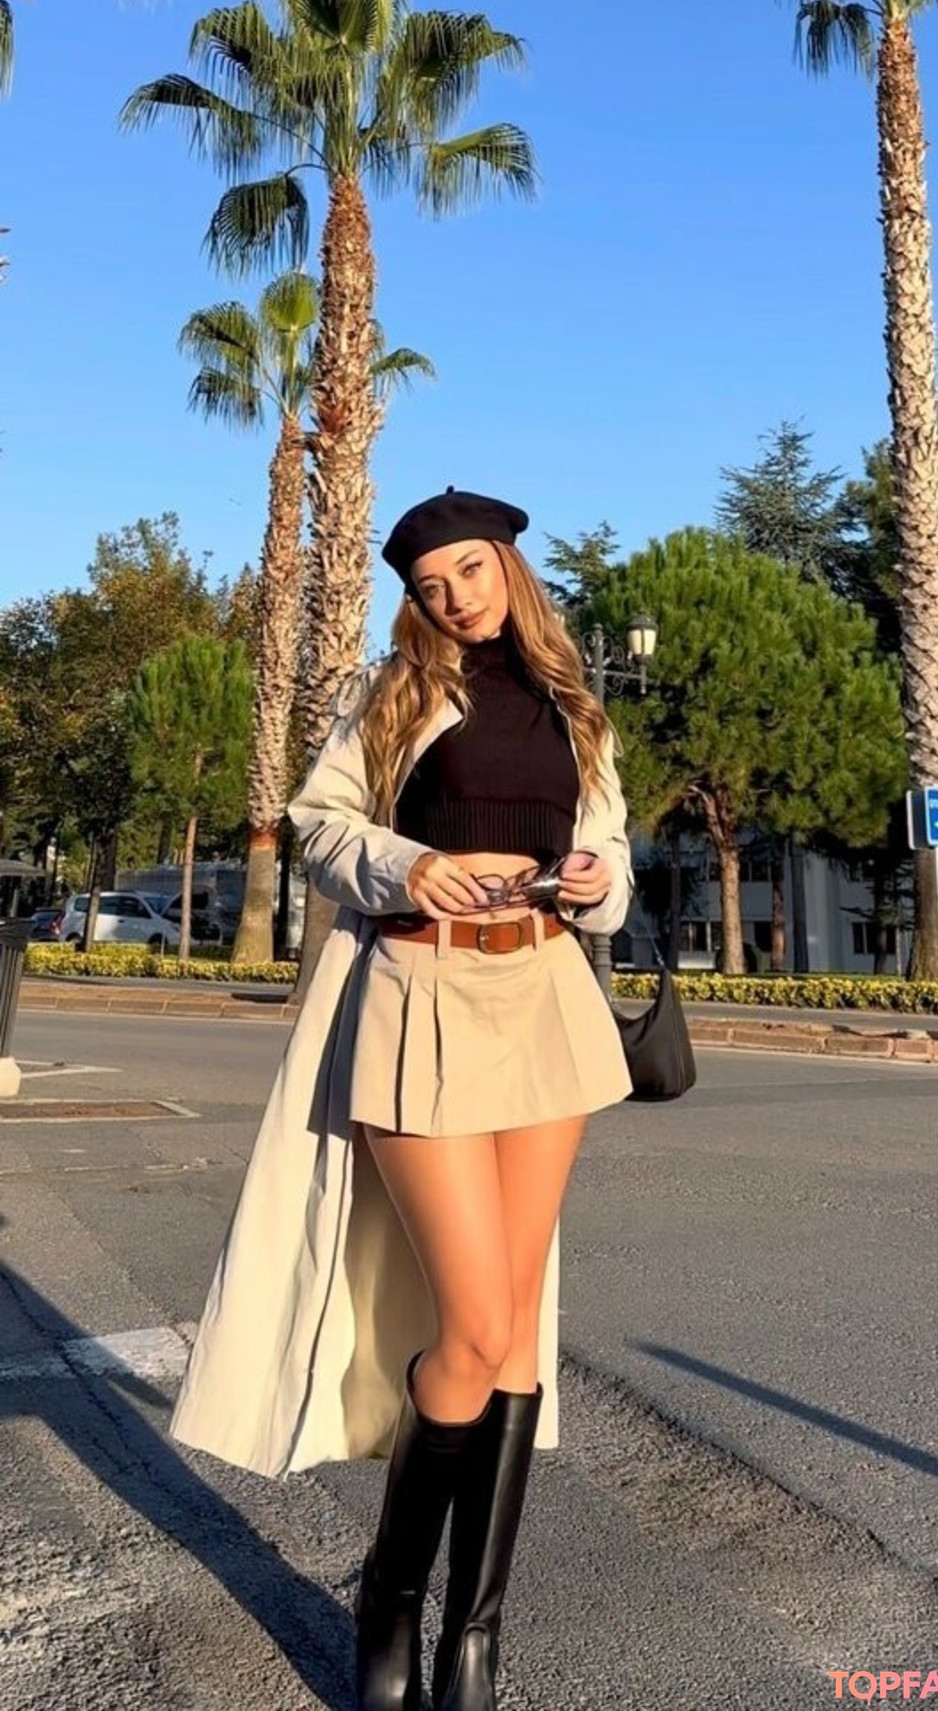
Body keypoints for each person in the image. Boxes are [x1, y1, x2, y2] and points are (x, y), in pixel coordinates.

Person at [167, 488, 634, 1711]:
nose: (454, 597)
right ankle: (389, 1602)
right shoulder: (391, 692)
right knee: (471, 1326)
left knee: (516, 1329)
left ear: (509, 567)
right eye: (431, 585)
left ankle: (473, 1636)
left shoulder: (576, 706)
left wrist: (595, 879)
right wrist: (412, 863)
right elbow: (318, 824)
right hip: (418, 993)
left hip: (543, 993)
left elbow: (617, 861)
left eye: (471, 571)